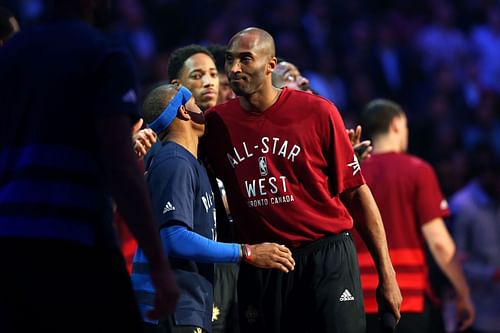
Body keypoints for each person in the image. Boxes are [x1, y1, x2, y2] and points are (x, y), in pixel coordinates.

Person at [203, 27, 402, 333]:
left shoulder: (318, 112)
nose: (233, 69)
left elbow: (357, 195)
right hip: (264, 263)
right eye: (229, 60)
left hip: (325, 256)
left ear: (270, 65)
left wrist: (386, 274)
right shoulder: (216, 124)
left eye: (245, 59)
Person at [0, 1, 178, 332]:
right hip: (75, 241)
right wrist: (158, 263)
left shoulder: (10, 54)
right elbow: (120, 163)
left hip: (9, 240)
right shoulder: (104, 54)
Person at [131, 83, 295, 333]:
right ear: (184, 111)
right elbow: (174, 238)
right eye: (196, 104)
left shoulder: (190, 163)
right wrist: (247, 252)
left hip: (186, 305)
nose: (203, 110)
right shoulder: (173, 161)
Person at [353, 99, 475, 332]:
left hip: (357, 297)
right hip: (406, 297)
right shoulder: (418, 170)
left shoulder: (351, 172)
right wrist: (464, 291)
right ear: (397, 124)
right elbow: (439, 242)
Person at [449, 142, 500, 333]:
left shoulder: (496, 201)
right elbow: (453, 261)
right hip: (473, 307)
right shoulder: (462, 206)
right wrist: (491, 274)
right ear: (489, 176)